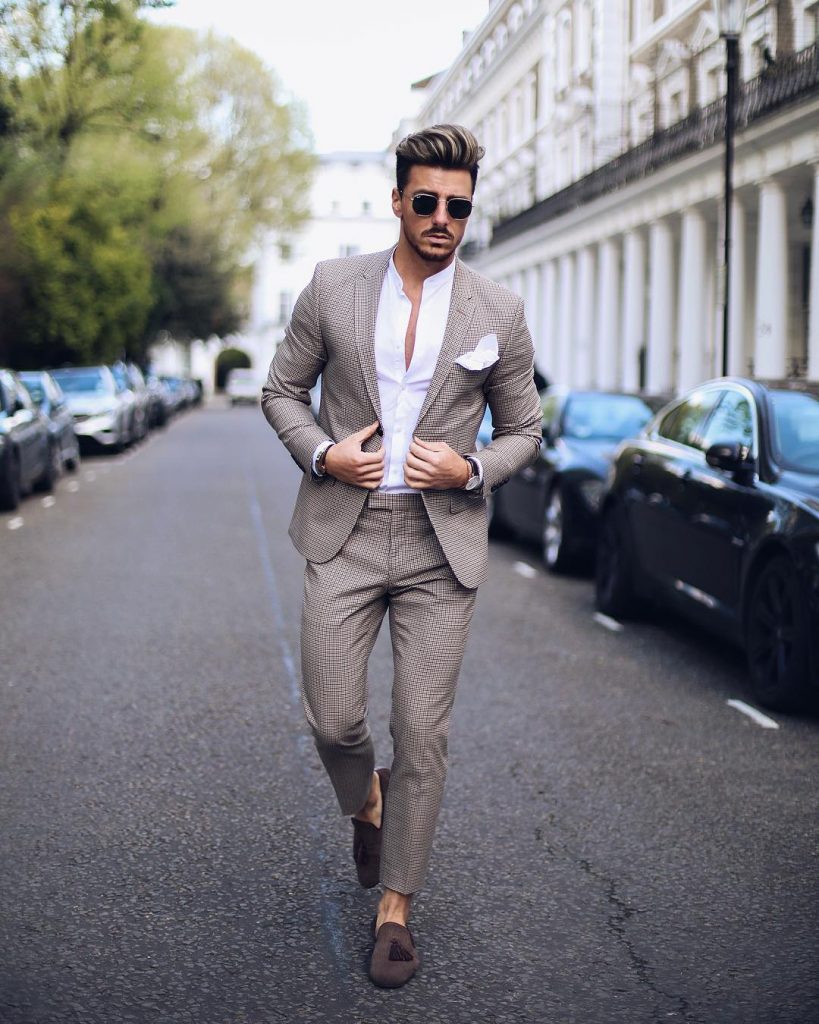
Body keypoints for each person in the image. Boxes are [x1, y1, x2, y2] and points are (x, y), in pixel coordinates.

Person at [261, 124, 542, 988]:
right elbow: (281, 390)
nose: (441, 219)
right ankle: (366, 803)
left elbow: (525, 429)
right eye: (425, 201)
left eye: (457, 206)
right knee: (334, 720)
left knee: (422, 733)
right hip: (344, 530)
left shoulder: (497, 310)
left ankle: (394, 912)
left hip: (437, 543)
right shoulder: (332, 287)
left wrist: (470, 465)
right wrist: (322, 453)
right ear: (396, 202)